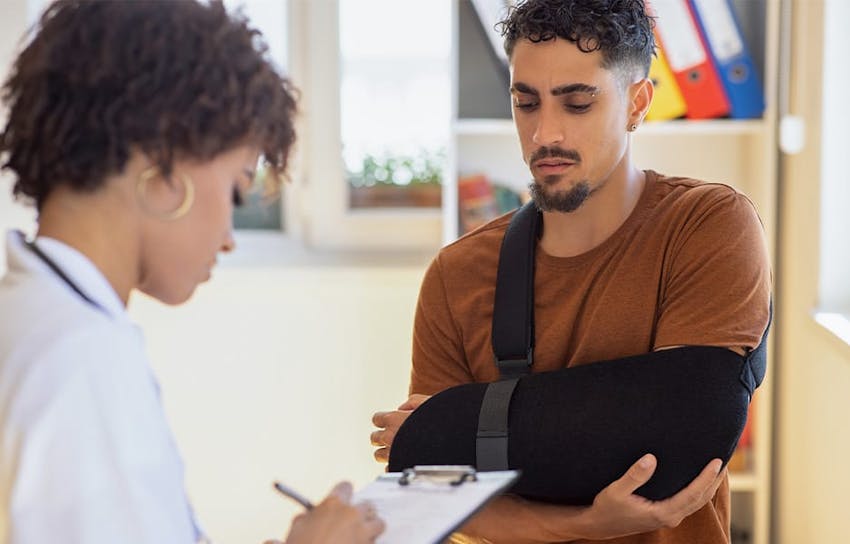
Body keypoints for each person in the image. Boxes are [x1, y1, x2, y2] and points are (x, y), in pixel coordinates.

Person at [371, 0, 770, 543]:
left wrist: (454, 430)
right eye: (525, 103)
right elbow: (437, 493)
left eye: (577, 103)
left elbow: (689, 426)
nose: (543, 135)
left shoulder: (707, 225)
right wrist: (585, 522)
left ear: (637, 103)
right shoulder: (457, 274)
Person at [0, 1, 384, 543]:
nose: (228, 236)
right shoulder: (81, 360)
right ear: (165, 164)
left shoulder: (32, 316)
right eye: (234, 190)